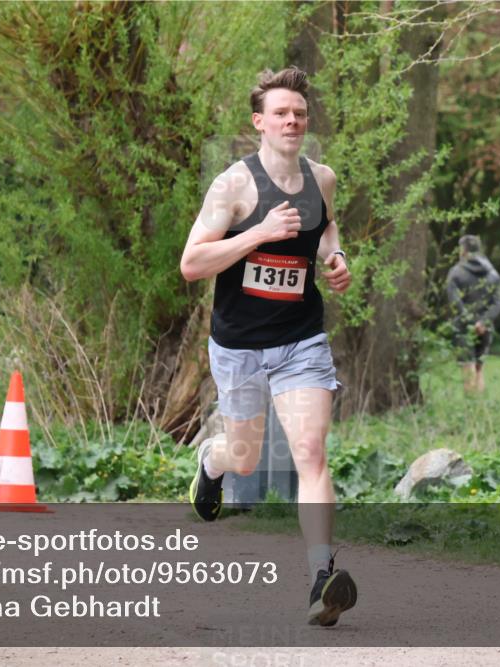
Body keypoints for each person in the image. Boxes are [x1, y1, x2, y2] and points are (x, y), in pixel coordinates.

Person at [180, 66, 356, 627]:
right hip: (239, 346)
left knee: (310, 452)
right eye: (281, 112)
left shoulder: (321, 178)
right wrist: (256, 233)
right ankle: (212, 460)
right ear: (259, 122)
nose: (292, 120)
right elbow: (191, 264)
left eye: (300, 113)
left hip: (301, 338)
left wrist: (336, 258)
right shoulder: (234, 185)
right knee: (246, 457)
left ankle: (321, 577)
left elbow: (326, 228)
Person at [446, 235, 500, 393]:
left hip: (464, 327)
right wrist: (483, 322)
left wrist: (470, 322)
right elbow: (499, 302)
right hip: (485, 329)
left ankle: (470, 408)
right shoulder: (493, 273)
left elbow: (454, 300)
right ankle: (480, 410)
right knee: (479, 368)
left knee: (467, 366)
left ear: (463, 250)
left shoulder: (456, 272)